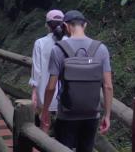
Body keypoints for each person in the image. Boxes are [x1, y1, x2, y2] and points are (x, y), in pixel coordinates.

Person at [41, 10, 114, 152]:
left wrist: (45, 111)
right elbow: (108, 86)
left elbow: (51, 87)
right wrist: (107, 115)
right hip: (92, 114)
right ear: (85, 25)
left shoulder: (58, 50)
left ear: (65, 26)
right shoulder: (101, 49)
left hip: (66, 114)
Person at [29, 9, 65, 132]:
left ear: (47, 25)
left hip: (44, 91)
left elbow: (37, 70)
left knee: (44, 122)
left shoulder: (40, 43)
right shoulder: (68, 42)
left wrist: (34, 91)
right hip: (64, 92)